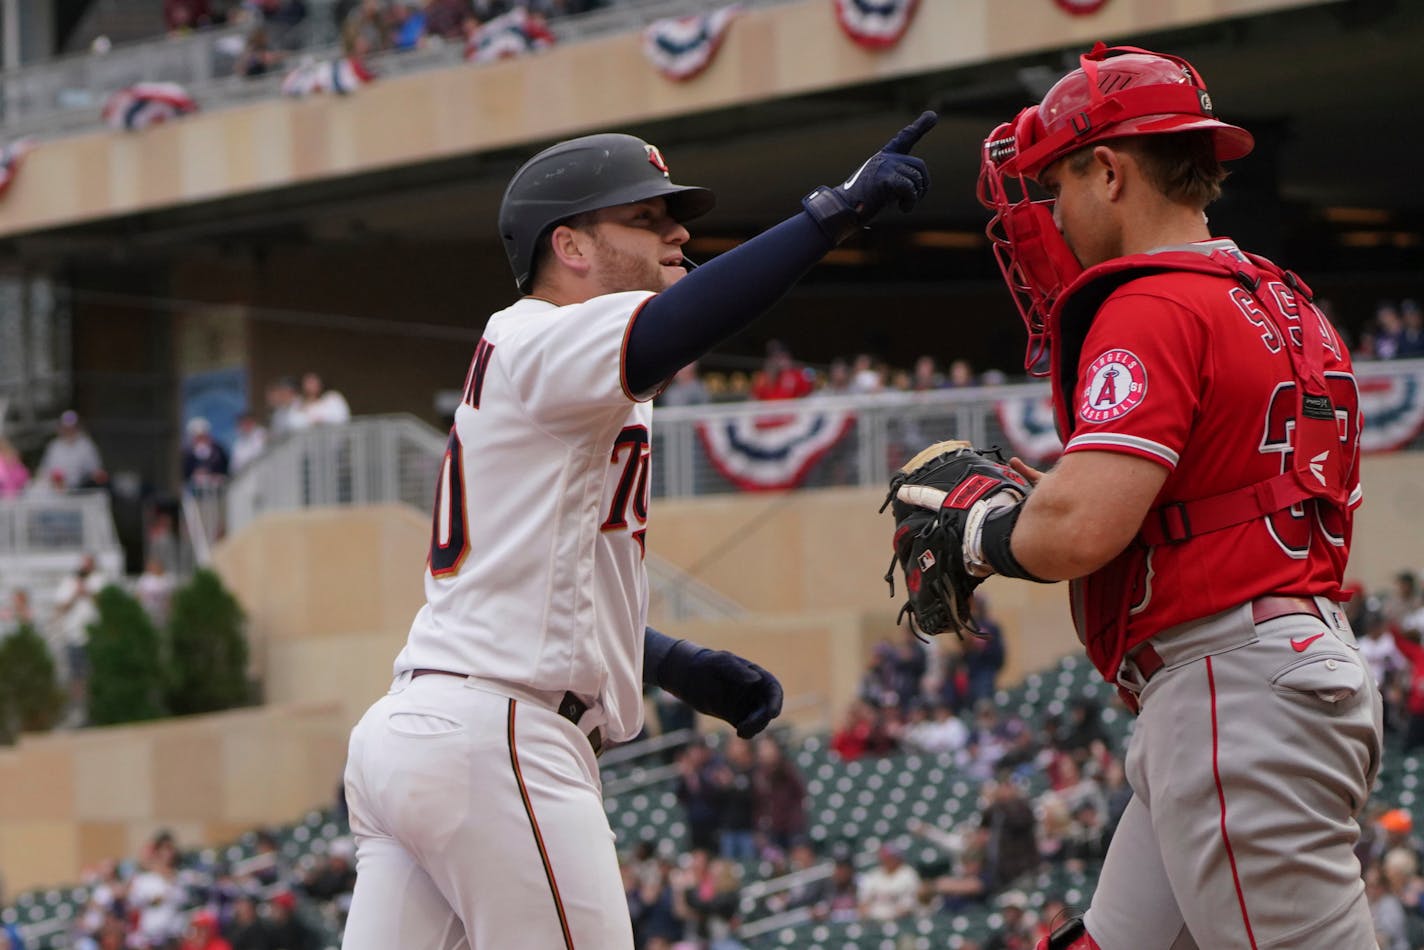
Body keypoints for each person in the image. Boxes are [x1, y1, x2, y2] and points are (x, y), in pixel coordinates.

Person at [340, 114, 935, 948]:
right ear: (571, 246)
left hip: (429, 730)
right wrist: (830, 215)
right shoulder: (539, 333)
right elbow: (677, 325)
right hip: (498, 742)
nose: (678, 232)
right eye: (646, 218)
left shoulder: (548, 365)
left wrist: (668, 662)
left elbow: (539, 577)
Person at [908, 42, 1380, 949]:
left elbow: (1081, 529)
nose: (1051, 213)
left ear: (1110, 171)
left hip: (1232, 686)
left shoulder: (1153, 301)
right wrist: (1032, 508)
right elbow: (1175, 499)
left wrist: (981, 534)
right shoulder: (1281, 297)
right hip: (1261, 667)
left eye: (1058, 186)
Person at [38, 410, 107, 490]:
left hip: (81, 489)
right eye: (66, 428)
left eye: (72, 428)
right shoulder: (54, 446)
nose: (69, 431)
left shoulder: (86, 445)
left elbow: (95, 471)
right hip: (56, 490)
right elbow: (44, 471)